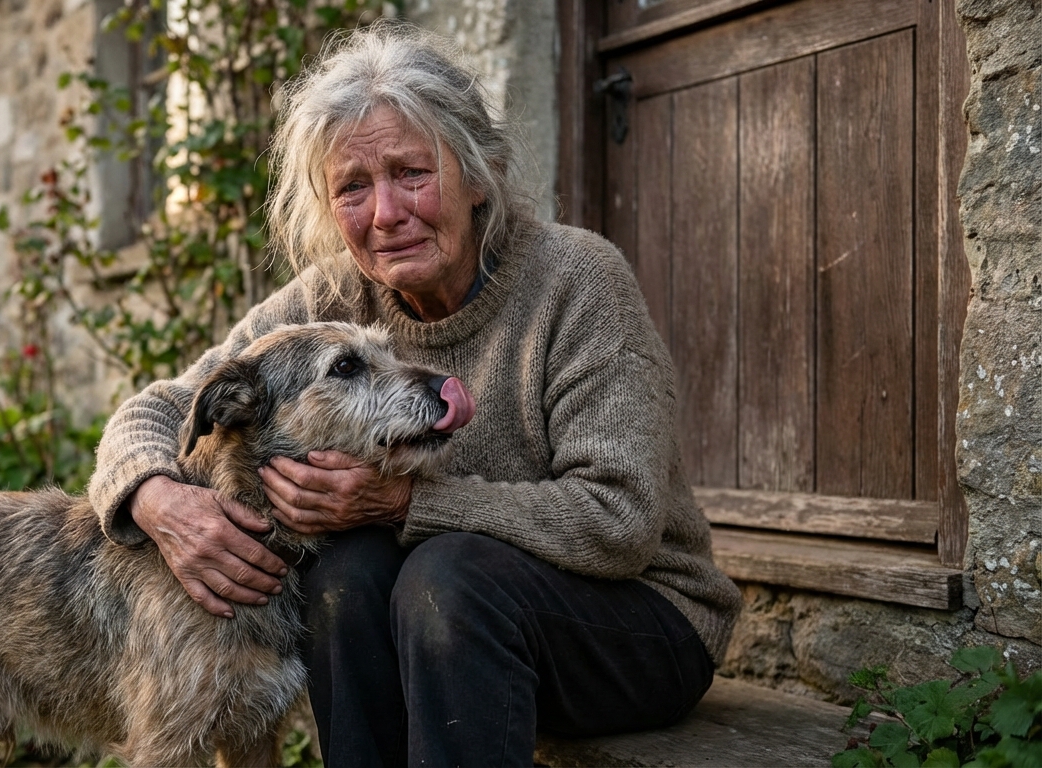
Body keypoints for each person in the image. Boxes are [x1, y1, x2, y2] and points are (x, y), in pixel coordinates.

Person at [87, 22, 742, 768]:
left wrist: (404, 505)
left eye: (411, 173)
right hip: (449, 637)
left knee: (448, 573)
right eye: (353, 189)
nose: (385, 214)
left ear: (475, 172)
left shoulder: (576, 281)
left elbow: (619, 521)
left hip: (635, 627)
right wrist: (158, 501)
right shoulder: (335, 299)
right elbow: (160, 405)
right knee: (348, 574)